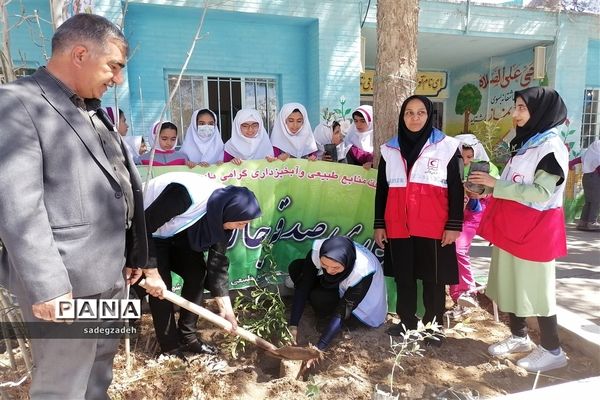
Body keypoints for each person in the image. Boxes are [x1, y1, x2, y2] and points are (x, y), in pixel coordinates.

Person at [0, 14, 149, 399]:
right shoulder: (19, 104)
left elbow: (120, 184)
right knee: (63, 385)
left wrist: (137, 252)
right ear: (80, 53)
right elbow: (19, 207)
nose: (117, 79)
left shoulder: (91, 108)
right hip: (67, 286)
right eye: (113, 66)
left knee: (98, 376)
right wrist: (48, 288)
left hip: (111, 280)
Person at [470, 87, 569, 372]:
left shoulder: (550, 148)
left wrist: (495, 185)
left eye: (522, 108)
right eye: (516, 107)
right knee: (509, 283)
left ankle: (552, 350)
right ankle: (519, 336)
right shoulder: (528, 142)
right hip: (513, 226)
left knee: (537, 291)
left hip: (535, 230)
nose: (515, 114)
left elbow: (540, 193)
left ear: (541, 112)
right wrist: (489, 192)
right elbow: (516, 182)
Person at [374, 95, 463, 345]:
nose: (414, 118)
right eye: (409, 113)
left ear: (429, 116)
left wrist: (454, 225)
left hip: (434, 226)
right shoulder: (389, 149)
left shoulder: (447, 146)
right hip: (398, 225)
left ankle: (433, 327)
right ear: (402, 117)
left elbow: (457, 188)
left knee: (434, 280)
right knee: (404, 277)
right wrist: (379, 223)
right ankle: (407, 322)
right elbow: (382, 189)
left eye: (420, 112)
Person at [141, 172, 262, 355]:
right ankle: (170, 347)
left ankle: (188, 337)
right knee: (161, 290)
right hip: (147, 232)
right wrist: (151, 273)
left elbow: (218, 264)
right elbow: (143, 226)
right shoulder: (184, 194)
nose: (243, 227)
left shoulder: (222, 210)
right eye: (241, 223)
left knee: (197, 273)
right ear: (229, 213)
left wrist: (226, 311)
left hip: (175, 231)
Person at [287, 236, 386, 360]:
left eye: (335, 267)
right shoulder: (320, 250)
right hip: (341, 286)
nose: (328, 270)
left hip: (362, 309)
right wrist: (293, 325)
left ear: (346, 262)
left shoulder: (362, 272)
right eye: (324, 264)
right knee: (298, 268)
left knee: (319, 297)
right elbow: (303, 286)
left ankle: (328, 320)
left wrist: (319, 348)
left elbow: (343, 312)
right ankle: (324, 309)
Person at [448, 134, 500, 315]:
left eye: (470, 156)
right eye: (462, 156)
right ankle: (458, 300)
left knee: (457, 248)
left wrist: (482, 194)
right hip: (452, 212)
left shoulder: (488, 167)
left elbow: (497, 189)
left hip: (473, 213)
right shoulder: (450, 164)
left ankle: (468, 292)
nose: (466, 160)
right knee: (449, 250)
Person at [569, 139, 600, 231]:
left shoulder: (589, 154)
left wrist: (570, 164)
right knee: (596, 201)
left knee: (589, 201)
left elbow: (578, 159)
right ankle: (592, 222)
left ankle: (583, 222)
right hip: (595, 179)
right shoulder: (597, 158)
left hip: (586, 177)